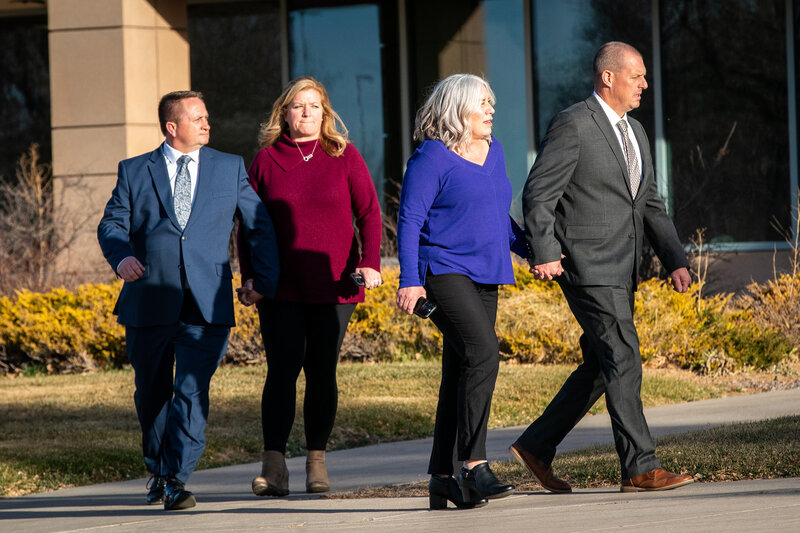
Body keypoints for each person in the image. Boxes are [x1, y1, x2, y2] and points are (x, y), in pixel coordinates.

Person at [511, 41, 695, 493]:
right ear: (608, 77)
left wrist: (674, 259)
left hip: (623, 267)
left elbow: (649, 203)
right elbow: (539, 193)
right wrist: (544, 250)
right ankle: (640, 467)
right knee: (624, 355)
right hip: (587, 265)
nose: (645, 84)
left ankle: (536, 445)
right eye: (637, 76)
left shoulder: (637, 132)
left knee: (601, 364)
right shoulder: (574, 123)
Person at [97, 91, 280, 510]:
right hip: (148, 299)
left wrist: (262, 279)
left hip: (207, 301)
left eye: (207, 117)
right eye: (197, 118)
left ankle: (176, 478)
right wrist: (121, 257)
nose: (207, 124)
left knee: (192, 390)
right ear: (171, 127)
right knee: (152, 394)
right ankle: (158, 471)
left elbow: (258, 225)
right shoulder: (134, 170)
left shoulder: (229, 167)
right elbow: (112, 224)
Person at [236, 76, 382, 497]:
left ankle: (316, 461)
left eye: (314, 106)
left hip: (333, 283)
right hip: (279, 286)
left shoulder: (344, 155)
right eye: (298, 105)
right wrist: (250, 276)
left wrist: (370, 263)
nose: (306, 112)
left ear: (325, 113)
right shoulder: (265, 161)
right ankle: (273, 467)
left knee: (321, 371)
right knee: (282, 371)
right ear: (284, 113)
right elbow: (248, 225)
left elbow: (369, 213)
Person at [396, 74, 527, 510]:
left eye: (492, 102)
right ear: (457, 108)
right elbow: (410, 220)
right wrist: (409, 280)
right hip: (444, 269)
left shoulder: (495, 150)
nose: (491, 110)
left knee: (460, 368)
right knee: (484, 352)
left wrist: (534, 250)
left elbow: (498, 216)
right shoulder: (431, 157)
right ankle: (474, 463)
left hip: (487, 272)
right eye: (482, 103)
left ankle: (443, 478)